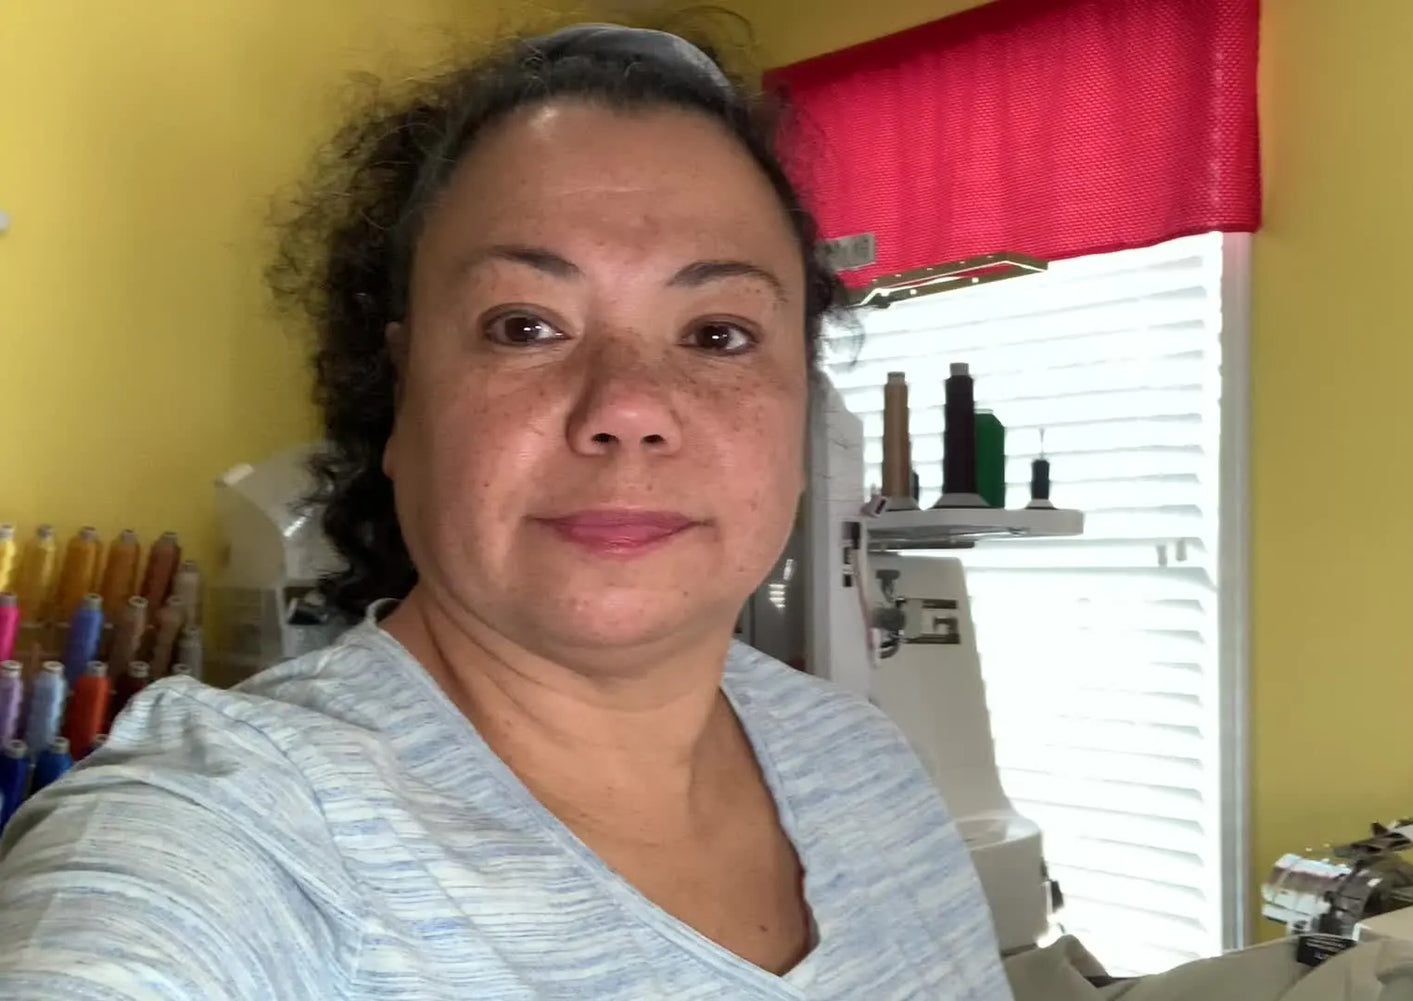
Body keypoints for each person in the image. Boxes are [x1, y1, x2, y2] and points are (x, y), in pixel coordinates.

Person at [0, 23, 1012, 1001]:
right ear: (402, 395)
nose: (627, 407)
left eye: (717, 334)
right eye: (524, 325)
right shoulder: (236, 826)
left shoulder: (867, 760)